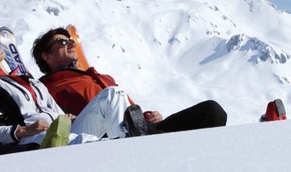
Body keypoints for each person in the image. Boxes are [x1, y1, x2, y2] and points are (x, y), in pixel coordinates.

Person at [32, 27, 227, 135]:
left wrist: (148, 116)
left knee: (212, 111)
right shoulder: (46, 87)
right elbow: (51, 118)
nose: (70, 43)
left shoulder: (100, 77)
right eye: (62, 42)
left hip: (141, 128)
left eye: (71, 41)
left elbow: (127, 109)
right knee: (112, 96)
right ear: (47, 56)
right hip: (104, 135)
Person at [0, 34, 102, 152]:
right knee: (88, 143)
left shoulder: (32, 82)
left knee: (113, 95)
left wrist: (69, 118)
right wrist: (23, 130)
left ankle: (123, 137)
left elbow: (59, 115)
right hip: (36, 139)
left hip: (65, 129)